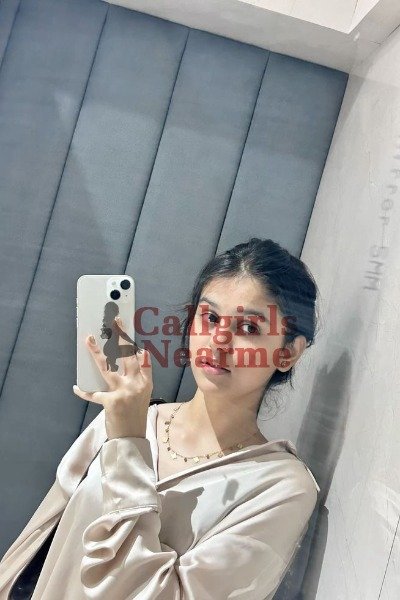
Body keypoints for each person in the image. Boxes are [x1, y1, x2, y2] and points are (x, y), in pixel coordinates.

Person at [0, 237, 321, 599]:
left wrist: (127, 444)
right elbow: (38, 539)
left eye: (248, 328)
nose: (218, 339)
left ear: (287, 353)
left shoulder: (281, 488)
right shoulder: (131, 415)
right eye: (210, 317)